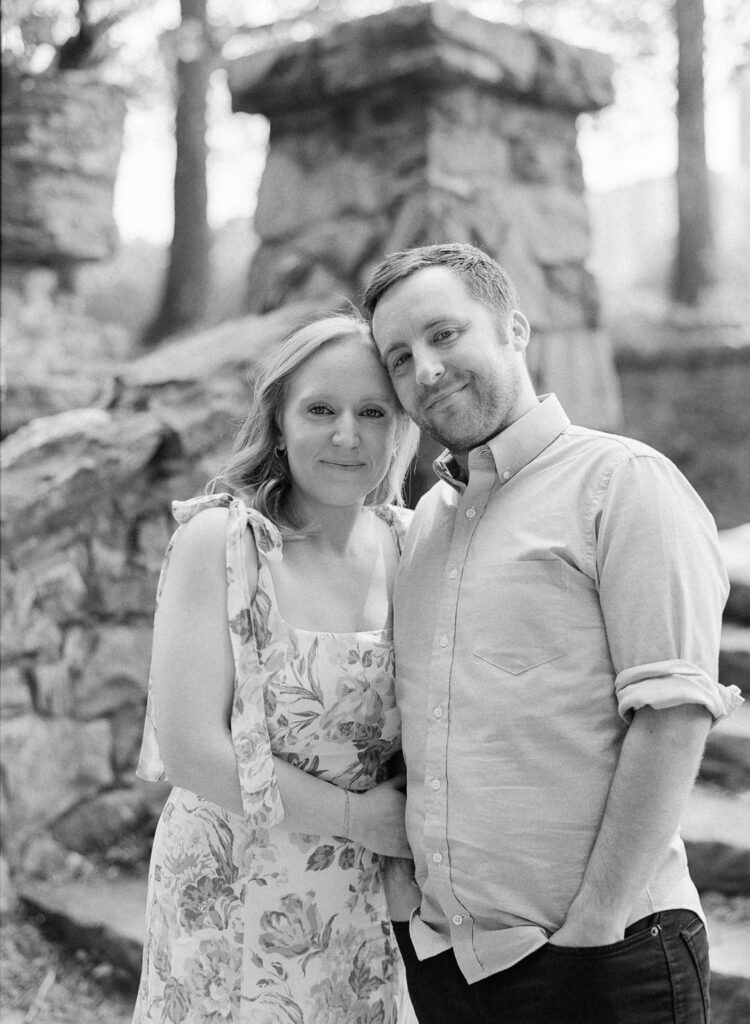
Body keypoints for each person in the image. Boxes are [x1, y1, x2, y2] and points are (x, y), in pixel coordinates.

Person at [363, 243, 744, 1024]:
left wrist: (595, 930)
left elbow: (672, 716)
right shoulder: (424, 524)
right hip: (451, 966)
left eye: (444, 335)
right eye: (399, 359)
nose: (426, 371)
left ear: (514, 327)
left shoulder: (623, 484)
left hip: (603, 958)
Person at [131, 314, 420, 1024]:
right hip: (231, 889)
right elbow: (192, 751)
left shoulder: (414, 548)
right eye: (320, 409)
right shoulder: (222, 545)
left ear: (400, 429)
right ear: (281, 424)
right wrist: (363, 819)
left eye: (372, 412)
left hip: (363, 901)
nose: (346, 434)